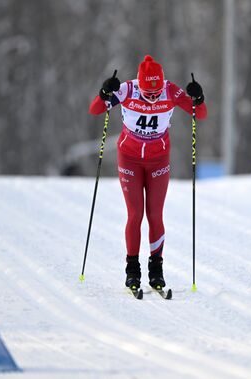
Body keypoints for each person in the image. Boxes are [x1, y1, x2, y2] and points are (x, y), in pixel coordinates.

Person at [89, 55, 208, 289]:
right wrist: (104, 93)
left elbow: (200, 113)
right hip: (129, 158)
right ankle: (132, 270)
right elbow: (95, 109)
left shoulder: (171, 92)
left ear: (162, 85)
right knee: (135, 214)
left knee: (155, 215)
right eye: (147, 94)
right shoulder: (127, 91)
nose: (152, 99)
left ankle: (156, 270)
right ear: (139, 85)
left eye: (156, 94)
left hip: (158, 160)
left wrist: (199, 97)